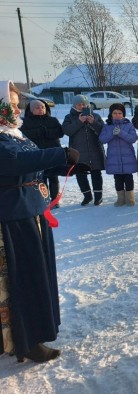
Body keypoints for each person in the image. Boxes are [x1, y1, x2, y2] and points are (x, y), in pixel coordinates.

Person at [0, 80, 79, 363]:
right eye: (10, 103)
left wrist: (65, 163)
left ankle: (34, 332)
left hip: (32, 212)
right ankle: (25, 340)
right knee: (23, 281)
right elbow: (12, 163)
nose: (16, 108)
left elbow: (33, 161)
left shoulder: (15, 134)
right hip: (13, 219)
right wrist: (58, 153)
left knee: (38, 276)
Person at [62, 94, 106, 205]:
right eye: (79, 104)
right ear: (74, 105)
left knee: (96, 173)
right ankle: (87, 196)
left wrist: (93, 123)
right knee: (80, 174)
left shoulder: (95, 116)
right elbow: (67, 131)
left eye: (84, 104)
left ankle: (98, 197)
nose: (82, 106)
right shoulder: (69, 117)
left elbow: (103, 131)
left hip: (95, 149)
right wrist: (79, 122)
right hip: (78, 151)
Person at [19, 99, 64, 205]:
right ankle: (44, 199)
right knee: (41, 178)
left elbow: (60, 132)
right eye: (37, 108)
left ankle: (54, 199)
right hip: (36, 154)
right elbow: (23, 135)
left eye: (43, 107)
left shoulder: (52, 120)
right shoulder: (25, 121)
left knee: (54, 177)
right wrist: (38, 132)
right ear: (31, 110)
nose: (41, 109)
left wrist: (47, 132)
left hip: (52, 152)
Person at [99, 103, 138, 207]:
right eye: (115, 113)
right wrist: (112, 133)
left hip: (127, 157)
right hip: (114, 158)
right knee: (118, 179)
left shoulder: (128, 125)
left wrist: (121, 133)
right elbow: (102, 139)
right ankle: (120, 199)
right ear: (111, 114)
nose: (117, 115)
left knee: (128, 178)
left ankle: (130, 199)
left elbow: (133, 138)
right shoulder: (107, 126)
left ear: (123, 114)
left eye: (120, 113)